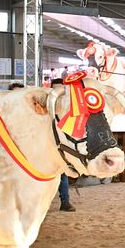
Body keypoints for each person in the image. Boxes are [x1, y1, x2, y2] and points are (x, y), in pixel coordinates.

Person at [49, 78, 76, 212]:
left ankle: (65, 201)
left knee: (62, 173)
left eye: (60, 88)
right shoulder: (45, 104)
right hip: (46, 144)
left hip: (61, 145)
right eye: (55, 88)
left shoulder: (69, 107)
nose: (57, 91)